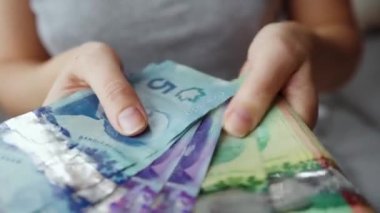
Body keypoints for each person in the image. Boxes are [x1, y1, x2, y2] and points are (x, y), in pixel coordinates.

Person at [0, 1, 361, 137]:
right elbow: (9, 70)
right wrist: (66, 74)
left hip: (266, 143)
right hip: (87, 162)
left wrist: (301, 46)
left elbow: (340, 42)